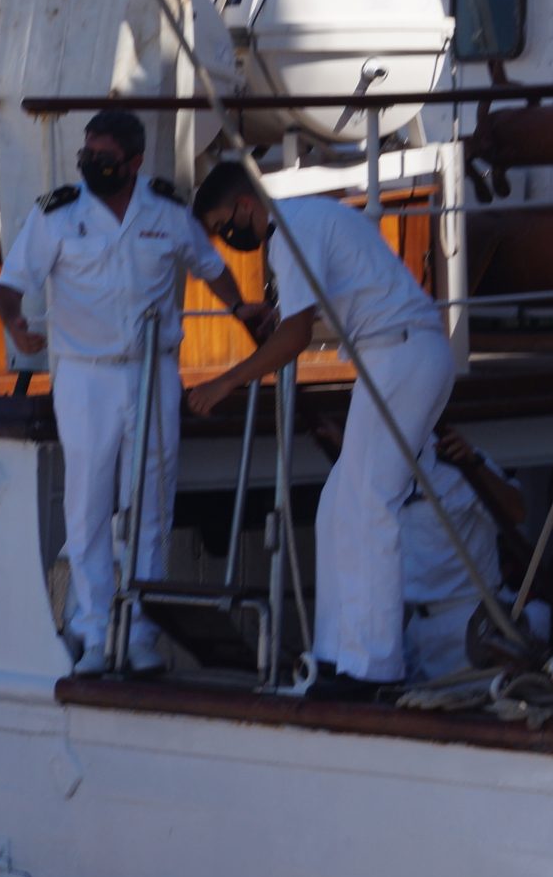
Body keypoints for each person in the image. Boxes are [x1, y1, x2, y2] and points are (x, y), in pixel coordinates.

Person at [0, 109, 264, 678]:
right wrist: (15, 324)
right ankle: (97, 633)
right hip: (85, 376)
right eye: (87, 156)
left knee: (151, 504)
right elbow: (11, 283)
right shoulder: (57, 214)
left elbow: (209, 264)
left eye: (105, 158)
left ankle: (140, 634)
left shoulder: (166, 210)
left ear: (135, 161)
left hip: (153, 373)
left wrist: (241, 309)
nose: (92, 165)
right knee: (88, 506)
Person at [189, 160, 455, 700]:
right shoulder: (304, 222)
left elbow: (294, 338)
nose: (226, 238)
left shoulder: (289, 233)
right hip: (393, 354)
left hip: (402, 354)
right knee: (339, 504)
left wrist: (226, 382)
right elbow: (316, 311)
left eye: (221, 225)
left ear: (244, 205)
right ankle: (337, 654)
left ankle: (376, 666)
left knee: (371, 504)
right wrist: (279, 322)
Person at [309, 416, 542, 681]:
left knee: (473, 702)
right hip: (412, 627)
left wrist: (474, 464)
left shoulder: (456, 461)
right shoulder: (375, 467)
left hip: (467, 624)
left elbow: (516, 512)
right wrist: (346, 445)